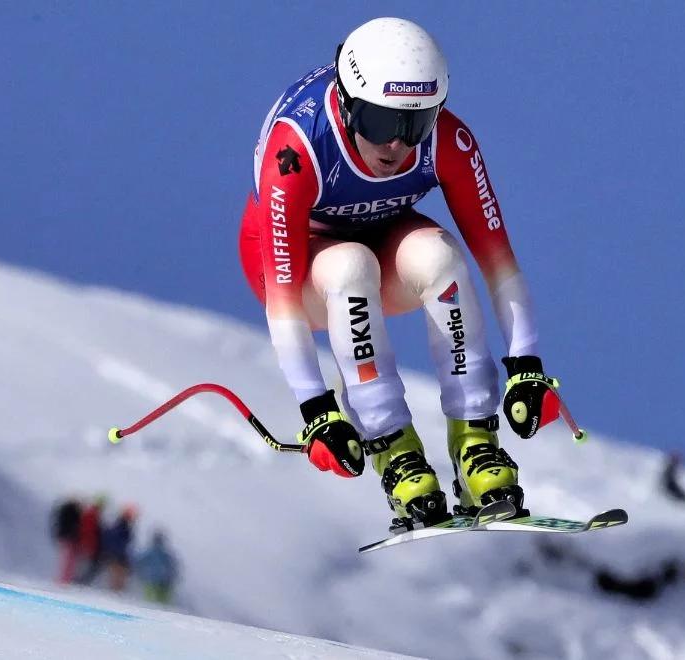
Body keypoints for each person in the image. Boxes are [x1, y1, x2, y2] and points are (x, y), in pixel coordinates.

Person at [238, 18, 564, 528]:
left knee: (441, 257)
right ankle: (394, 449)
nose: (396, 145)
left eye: (414, 125)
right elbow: (282, 303)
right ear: (347, 105)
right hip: (302, 266)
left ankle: (476, 443)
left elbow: (499, 260)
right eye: (379, 122)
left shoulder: (449, 141)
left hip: (384, 239)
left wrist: (526, 362)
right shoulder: (298, 149)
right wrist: (316, 410)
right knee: (349, 266)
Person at [136, 530, 179, 604]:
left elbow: (139, 562)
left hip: (151, 579)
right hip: (164, 580)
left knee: (150, 600)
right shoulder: (166, 554)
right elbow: (172, 567)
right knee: (163, 602)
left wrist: (140, 574)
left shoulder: (149, 552)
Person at [102, 505, 137, 592]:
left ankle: (115, 591)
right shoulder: (122, 526)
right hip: (118, 554)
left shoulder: (121, 525)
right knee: (118, 575)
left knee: (118, 574)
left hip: (117, 553)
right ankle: (115, 592)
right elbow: (120, 541)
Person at [74, 495, 106, 585]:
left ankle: (78, 582)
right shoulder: (91, 515)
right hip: (86, 544)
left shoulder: (94, 515)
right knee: (82, 565)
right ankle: (76, 583)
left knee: (84, 565)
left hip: (88, 545)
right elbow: (87, 531)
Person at [50, 497, 83, 584]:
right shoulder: (71, 513)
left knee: (67, 560)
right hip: (69, 538)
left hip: (67, 537)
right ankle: (63, 580)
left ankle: (64, 579)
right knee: (68, 560)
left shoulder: (66, 512)